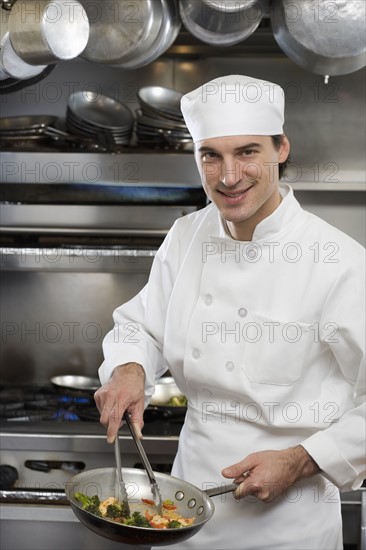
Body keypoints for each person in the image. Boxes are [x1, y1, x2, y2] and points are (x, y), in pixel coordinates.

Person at [94, 75, 365, 550]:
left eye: (247, 152)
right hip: (182, 510)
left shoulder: (338, 261)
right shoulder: (186, 235)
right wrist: (130, 367)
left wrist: (303, 460)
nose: (228, 176)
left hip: (288, 527)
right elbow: (143, 325)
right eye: (210, 155)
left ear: (281, 148)